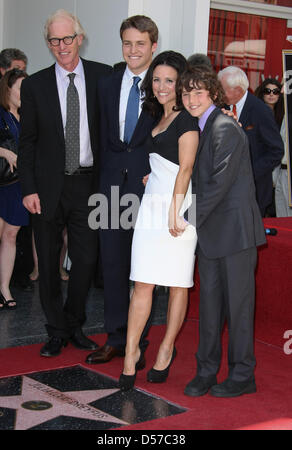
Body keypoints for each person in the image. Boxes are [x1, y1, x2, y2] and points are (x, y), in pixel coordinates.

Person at [18, 9, 112, 357]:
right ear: (49, 43)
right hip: (45, 189)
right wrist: (28, 188)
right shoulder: (35, 84)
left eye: (67, 39)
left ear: (80, 38)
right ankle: (55, 330)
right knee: (47, 259)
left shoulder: (103, 77)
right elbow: (26, 141)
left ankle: (75, 324)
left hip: (89, 186)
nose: (61, 46)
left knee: (86, 260)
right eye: (54, 40)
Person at [180, 66, 266, 398]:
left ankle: (243, 375)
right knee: (210, 307)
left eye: (198, 92)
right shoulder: (200, 127)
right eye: (186, 93)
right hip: (212, 233)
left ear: (213, 94)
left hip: (236, 235)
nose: (191, 99)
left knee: (239, 307)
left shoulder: (224, 128)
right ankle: (206, 372)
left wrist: (183, 218)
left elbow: (216, 184)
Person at [118, 51, 199, 391]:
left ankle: (166, 348)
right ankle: (129, 354)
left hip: (179, 208)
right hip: (153, 205)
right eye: (157, 79)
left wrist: (174, 209)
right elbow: (163, 159)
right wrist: (154, 176)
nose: (162, 86)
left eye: (169, 80)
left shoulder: (188, 119)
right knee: (142, 282)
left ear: (180, 82)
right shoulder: (154, 113)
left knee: (178, 283)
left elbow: (187, 167)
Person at [86, 15, 159, 366]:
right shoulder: (107, 84)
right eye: (127, 43)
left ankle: (138, 343)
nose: (133, 50)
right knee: (112, 265)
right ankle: (115, 338)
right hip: (111, 188)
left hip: (148, 188)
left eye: (140, 44)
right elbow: (100, 137)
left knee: (143, 269)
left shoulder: (163, 87)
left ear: (153, 46)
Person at [218, 66, 284, 217]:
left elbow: (276, 150)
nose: (219, 93)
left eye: (223, 89)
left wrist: (250, 172)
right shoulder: (220, 109)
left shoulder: (260, 110)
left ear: (238, 90)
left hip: (254, 192)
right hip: (225, 193)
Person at [0, 69, 28, 310]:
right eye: (21, 88)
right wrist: (6, 152)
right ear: (8, 89)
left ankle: (4, 287)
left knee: (11, 236)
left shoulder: (27, 115)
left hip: (20, 184)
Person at [255, 77, 284, 217]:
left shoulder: (283, 117)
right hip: (262, 170)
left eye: (276, 91)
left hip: (281, 171)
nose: (271, 94)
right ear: (262, 93)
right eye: (268, 91)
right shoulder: (255, 114)